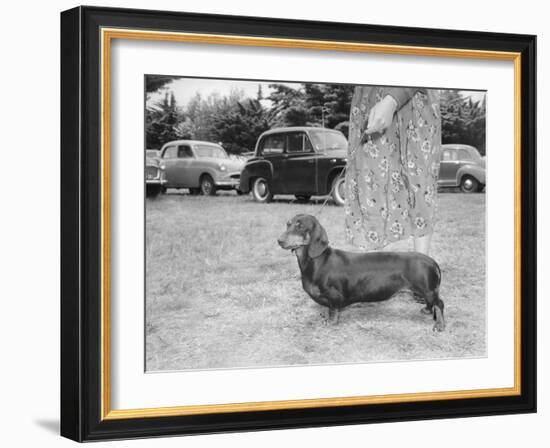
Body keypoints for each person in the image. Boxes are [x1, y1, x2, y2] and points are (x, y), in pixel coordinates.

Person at [344, 86, 441, 255]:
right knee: (370, 186)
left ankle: (421, 271)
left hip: (413, 100)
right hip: (370, 102)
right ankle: (372, 274)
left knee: (419, 185)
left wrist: (392, 100)